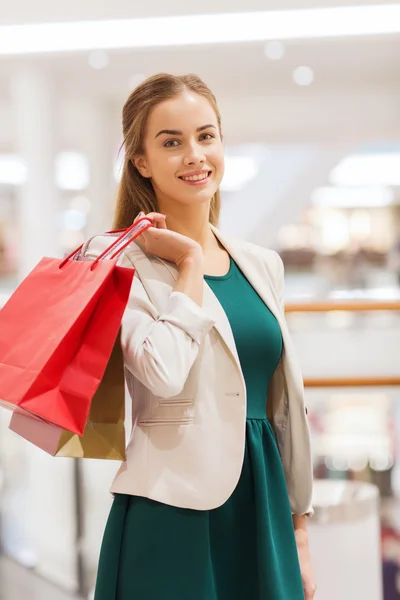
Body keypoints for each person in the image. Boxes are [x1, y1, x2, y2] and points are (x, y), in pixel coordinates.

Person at [89, 73, 316, 600]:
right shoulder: (118, 261)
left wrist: (300, 530)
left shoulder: (262, 264)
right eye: (171, 142)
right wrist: (189, 264)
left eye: (206, 136)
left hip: (263, 505)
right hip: (172, 510)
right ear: (141, 161)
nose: (194, 155)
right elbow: (162, 373)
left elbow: (284, 402)